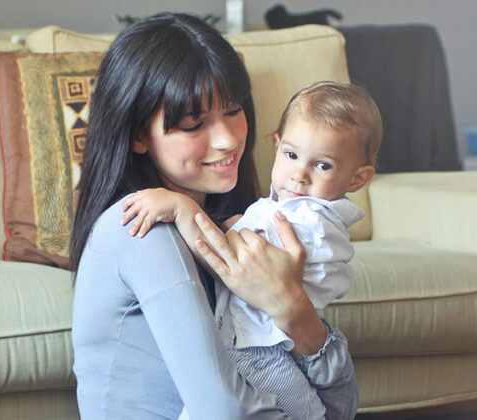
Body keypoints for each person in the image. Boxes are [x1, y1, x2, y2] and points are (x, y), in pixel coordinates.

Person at [70, 12, 359, 420]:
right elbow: (222, 411)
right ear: (138, 134)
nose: (227, 140)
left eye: (233, 109)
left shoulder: (245, 229)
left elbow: (342, 408)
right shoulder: (139, 229)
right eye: (193, 124)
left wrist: (295, 311)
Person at [122, 81, 382, 419]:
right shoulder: (298, 212)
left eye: (323, 165)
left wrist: (181, 208)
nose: (299, 175)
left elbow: (228, 261)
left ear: (357, 179)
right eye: (291, 155)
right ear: (277, 146)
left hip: (259, 350)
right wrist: (240, 224)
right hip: (275, 344)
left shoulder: (307, 218)